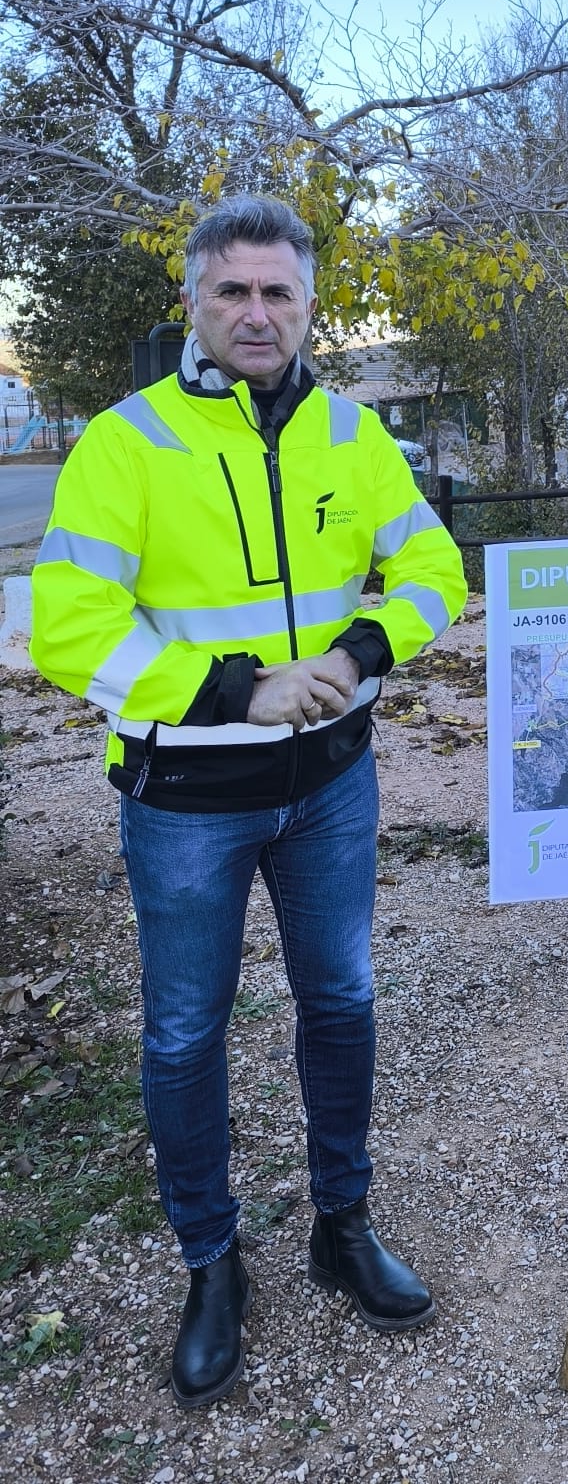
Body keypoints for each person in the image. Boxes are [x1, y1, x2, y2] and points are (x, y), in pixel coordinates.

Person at [31, 195, 467, 1407]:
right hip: (187, 798)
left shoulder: (350, 430)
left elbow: (432, 564)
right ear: (195, 303)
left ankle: (341, 1225)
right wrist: (236, 687)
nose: (259, 313)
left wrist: (361, 654)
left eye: (280, 292)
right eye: (235, 292)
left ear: (311, 303)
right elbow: (71, 628)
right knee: (183, 1033)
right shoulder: (127, 443)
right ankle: (211, 1261)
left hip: (330, 785)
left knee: (341, 1000)